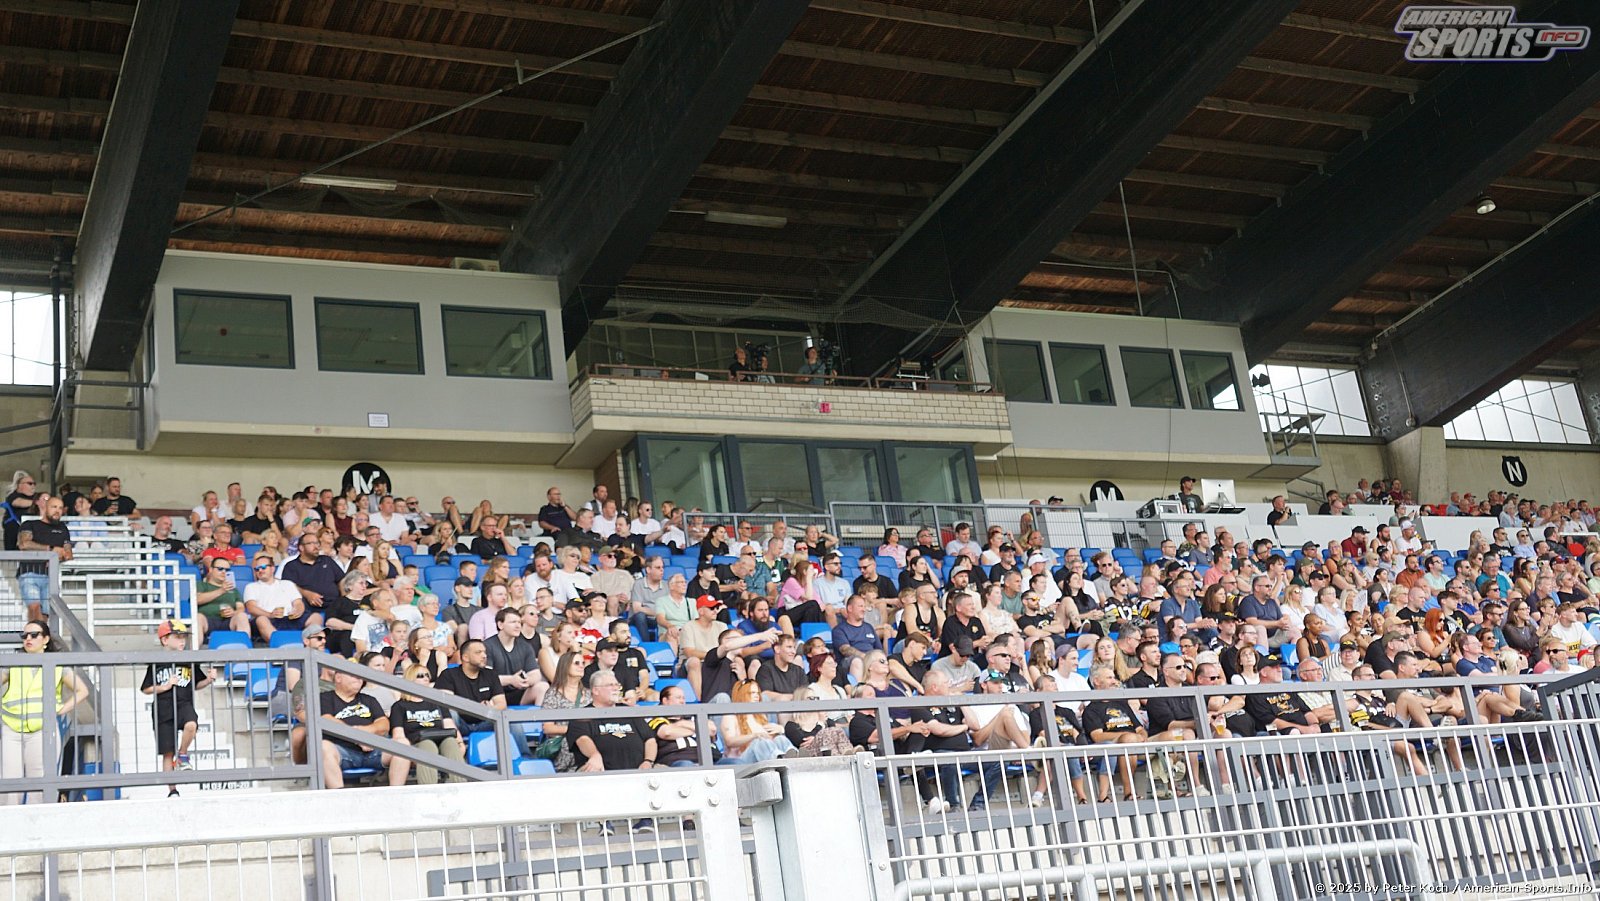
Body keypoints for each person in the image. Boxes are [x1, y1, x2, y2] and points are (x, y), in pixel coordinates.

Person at [0, 620, 87, 804]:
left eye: (34, 635)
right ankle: (9, 819)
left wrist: (60, 709)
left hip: (42, 730)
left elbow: (82, 691)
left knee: (40, 780)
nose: (28, 639)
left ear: (46, 639)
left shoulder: (57, 665)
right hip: (12, 728)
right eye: (24, 635)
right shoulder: (13, 662)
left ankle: (38, 819)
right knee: (10, 780)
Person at [569, 671, 657, 834]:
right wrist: (594, 755)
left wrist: (648, 761)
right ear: (595, 690)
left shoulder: (629, 711)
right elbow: (582, 739)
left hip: (637, 770)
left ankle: (646, 819)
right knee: (591, 769)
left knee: (663, 771)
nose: (616, 688)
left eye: (617, 685)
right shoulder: (582, 714)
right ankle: (604, 822)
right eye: (611, 685)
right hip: (604, 772)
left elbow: (650, 740)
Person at [141, 619, 217, 797]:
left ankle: (183, 754)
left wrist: (208, 680)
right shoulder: (156, 663)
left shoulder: (189, 661)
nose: (182, 641)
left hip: (184, 703)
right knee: (167, 752)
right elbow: (146, 688)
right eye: (177, 637)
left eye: (184, 637)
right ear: (164, 640)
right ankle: (172, 790)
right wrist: (165, 686)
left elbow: (196, 684)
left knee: (191, 724)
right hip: (163, 708)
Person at [317, 667, 401, 789]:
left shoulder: (369, 699)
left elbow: (384, 724)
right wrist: (356, 737)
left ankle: (398, 794)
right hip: (343, 751)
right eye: (353, 675)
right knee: (323, 746)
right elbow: (327, 720)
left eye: (360, 676)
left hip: (374, 750)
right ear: (338, 678)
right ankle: (339, 797)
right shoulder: (325, 698)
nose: (359, 678)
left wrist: (366, 732)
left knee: (402, 744)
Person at [387, 664, 466, 785]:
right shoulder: (399, 706)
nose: (425, 678)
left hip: (441, 739)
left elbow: (450, 726)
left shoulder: (437, 703)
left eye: (427, 675)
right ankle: (429, 789)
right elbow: (398, 735)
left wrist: (460, 744)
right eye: (420, 675)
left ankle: (460, 787)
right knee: (427, 744)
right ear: (410, 678)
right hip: (417, 743)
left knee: (451, 742)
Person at [1080, 665, 1145, 802]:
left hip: (1139, 744)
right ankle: (1129, 793)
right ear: (1097, 681)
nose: (1115, 681)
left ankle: (1174, 789)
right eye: (1109, 678)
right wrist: (1126, 737)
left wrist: (1142, 737)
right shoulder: (1091, 709)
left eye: (1114, 678)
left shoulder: (1122, 703)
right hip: (1118, 746)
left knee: (1176, 736)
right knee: (1128, 740)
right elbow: (1097, 736)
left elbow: (1140, 729)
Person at [16, 495, 71, 622]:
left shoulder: (63, 528)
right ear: (45, 508)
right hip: (29, 573)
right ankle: (35, 632)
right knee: (34, 607)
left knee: (46, 613)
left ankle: (39, 633)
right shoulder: (29, 524)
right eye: (54, 507)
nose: (57, 511)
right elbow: (23, 544)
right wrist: (51, 550)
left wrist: (58, 557)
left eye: (60, 508)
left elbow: (68, 554)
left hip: (50, 576)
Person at [244, 552, 321, 641]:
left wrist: (298, 611)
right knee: (261, 620)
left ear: (272, 568)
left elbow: (298, 602)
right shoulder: (251, 587)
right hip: (269, 619)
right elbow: (251, 608)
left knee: (316, 617)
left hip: (291, 617)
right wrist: (270, 615)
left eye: (264, 567)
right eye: (257, 569)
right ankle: (280, 643)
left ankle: (308, 642)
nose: (260, 570)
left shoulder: (287, 584)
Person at [434, 639, 506, 734]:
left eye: (484, 652)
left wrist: (490, 710)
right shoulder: (449, 674)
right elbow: (446, 704)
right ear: (465, 657)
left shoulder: (491, 674)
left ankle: (521, 745)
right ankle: (456, 743)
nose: (484, 656)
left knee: (509, 717)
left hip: (486, 722)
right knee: (450, 714)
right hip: (460, 724)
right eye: (478, 652)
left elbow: (501, 704)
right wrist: (478, 708)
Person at [2, 470, 37, 551]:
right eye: (30, 483)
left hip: (32, 531)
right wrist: (37, 503)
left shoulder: (36, 496)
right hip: (14, 531)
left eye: (34, 483)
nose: (33, 486)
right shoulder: (13, 496)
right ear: (20, 485)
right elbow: (19, 502)